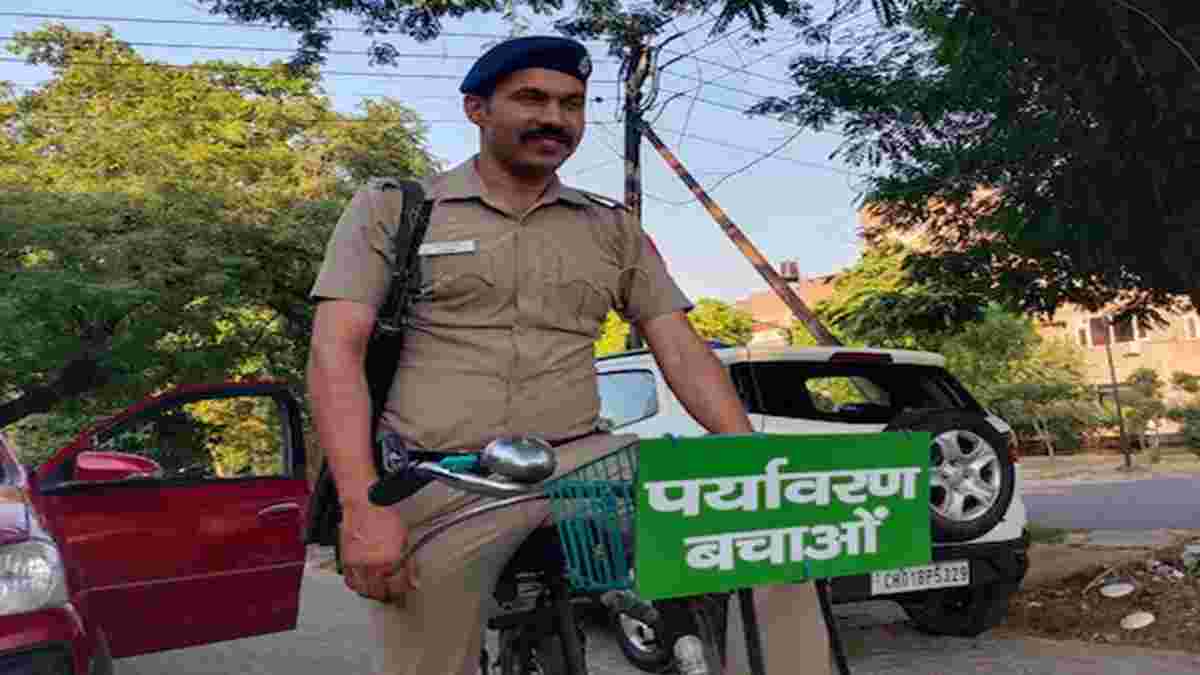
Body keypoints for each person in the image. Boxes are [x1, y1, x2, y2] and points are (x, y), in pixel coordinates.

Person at [305, 35, 832, 675]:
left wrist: (748, 459)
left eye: (572, 104)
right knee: (428, 643)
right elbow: (336, 352)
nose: (554, 118)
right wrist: (364, 508)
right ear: (476, 108)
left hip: (589, 462)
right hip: (442, 476)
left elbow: (680, 347)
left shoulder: (610, 227)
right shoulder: (395, 209)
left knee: (773, 541)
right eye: (531, 98)